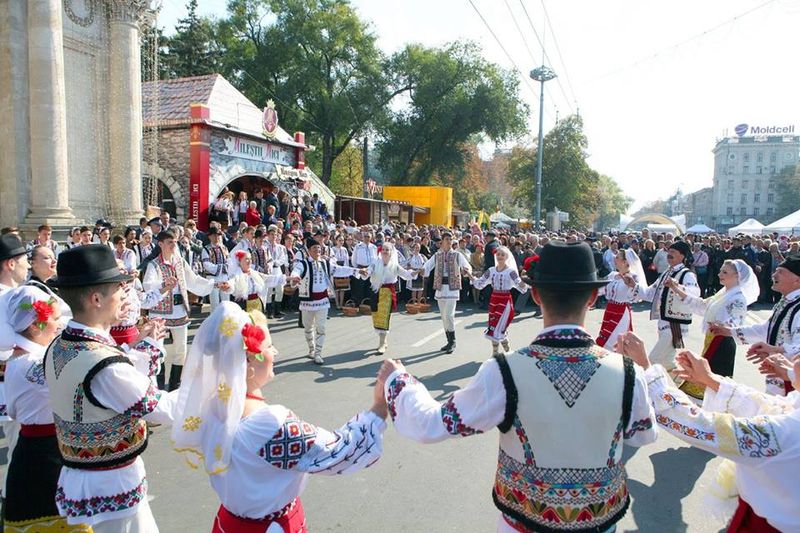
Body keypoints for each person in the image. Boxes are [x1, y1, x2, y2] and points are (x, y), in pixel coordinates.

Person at [377, 242, 657, 533]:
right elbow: (644, 435)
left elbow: (433, 424)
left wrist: (399, 381)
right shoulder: (628, 373)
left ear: (535, 295)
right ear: (591, 298)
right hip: (597, 523)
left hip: (524, 523)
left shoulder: (504, 370)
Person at [172, 303, 387, 532]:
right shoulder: (267, 424)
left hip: (229, 523)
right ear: (249, 364)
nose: (276, 353)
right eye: (269, 346)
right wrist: (380, 405)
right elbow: (339, 452)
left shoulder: (209, 405)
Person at [44, 245, 176, 531]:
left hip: (82, 478)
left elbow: (110, 381)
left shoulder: (60, 344)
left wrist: (146, 347)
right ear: (95, 298)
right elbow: (160, 409)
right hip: (112, 485)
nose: (124, 295)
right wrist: (217, 389)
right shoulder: (104, 364)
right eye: (119, 288)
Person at [618, 333, 800, 533]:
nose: (794, 358)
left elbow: (702, 425)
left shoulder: (787, 433)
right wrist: (711, 380)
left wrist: (646, 369)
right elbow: (772, 407)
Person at [0, 286, 86, 531]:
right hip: (48, 455)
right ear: (36, 325)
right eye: (55, 319)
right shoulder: (37, 363)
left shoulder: (18, 360)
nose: (59, 325)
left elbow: (15, 411)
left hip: (30, 453)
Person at [144, 231, 228, 391]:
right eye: (169, 242)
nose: (173, 245)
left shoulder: (179, 262)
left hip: (179, 311)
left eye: (174, 241)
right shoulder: (153, 265)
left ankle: (175, 387)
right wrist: (163, 283)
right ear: (160, 244)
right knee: (158, 350)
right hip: (159, 312)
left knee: (181, 350)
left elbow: (194, 281)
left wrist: (215, 284)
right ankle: (158, 388)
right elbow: (148, 286)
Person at [666, 259, 758, 400]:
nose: (720, 274)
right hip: (712, 339)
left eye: (725, 272)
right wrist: (676, 289)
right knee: (706, 379)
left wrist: (722, 325)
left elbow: (736, 322)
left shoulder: (738, 298)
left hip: (723, 342)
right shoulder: (723, 293)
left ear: (737, 276)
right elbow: (701, 304)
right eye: (721, 270)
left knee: (713, 382)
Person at [710, 254, 800, 396]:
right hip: (778, 377)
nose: (773, 274)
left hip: (792, 381)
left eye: (780, 272)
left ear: (797, 280)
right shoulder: (785, 303)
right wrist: (730, 331)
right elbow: (767, 329)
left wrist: (774, 349)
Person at [287, 239, 359, 365]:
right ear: (309, 250)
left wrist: (355, 271)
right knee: (308, 327)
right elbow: (296, 271)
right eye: (314, 248)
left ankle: (318, 353)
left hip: (322, 301)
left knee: (321, 327)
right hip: (308, 301)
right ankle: (311, 349)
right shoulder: (303, 264)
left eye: (319, 248)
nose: (317, 250)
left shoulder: (325, 263)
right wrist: (295, 277)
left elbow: (338, 269)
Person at [640, 241, 700, 372]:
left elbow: (695, 294)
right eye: (669, 252)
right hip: (664, 322)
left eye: (673, 252)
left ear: (682, 256)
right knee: (666, 361)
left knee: (653, 360)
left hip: (675, 324)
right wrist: (633, 285)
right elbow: (651, 293)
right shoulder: (667, 272)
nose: (669, 255)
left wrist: (676, 286)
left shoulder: (687, 274)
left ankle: (651, 389)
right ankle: (681, 385)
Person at [0, 234, 29, 497]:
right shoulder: (11, 298)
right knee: (19, 447)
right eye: (24, 261)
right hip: (12, 381)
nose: (27, 266)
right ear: (10, 264)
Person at [470, 246, 528, 355]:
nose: (500, 256)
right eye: (498, 254)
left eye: (502, 255)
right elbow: (480, 283)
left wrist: (524, 281)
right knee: (493, 326)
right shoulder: (491, 270)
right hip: (494, 300)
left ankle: (502, 352)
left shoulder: (511, 272)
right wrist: (470, 276)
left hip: (505, 301)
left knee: (499, 327)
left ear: (507, 257)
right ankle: (503, 352)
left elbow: (520, 285)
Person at [420, 232, 472, 353]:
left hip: (452, 288)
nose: (449, 241)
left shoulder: (457, 255)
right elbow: (427, 266)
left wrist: (466, 270)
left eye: (450, 239)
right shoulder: (437, 255)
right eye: (446, 239)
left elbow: (467, 265)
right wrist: (422, 270)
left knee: (449, 315)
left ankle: (453, 341)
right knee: (444, 317)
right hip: (440, 287)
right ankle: (449, 340)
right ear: (442, 241)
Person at [363, 242, 416, 354]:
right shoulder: (375, 263)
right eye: (384, 250)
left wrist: (415, 272)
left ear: (392, 252)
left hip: (387, 294)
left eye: (388, 250)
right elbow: (368, 272)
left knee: (383, 317)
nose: (385, 252)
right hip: (376, 291)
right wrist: (364, 272)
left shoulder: (394, 265)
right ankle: (384, 339)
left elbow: (406, 275)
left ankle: (382, 343)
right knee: (376, 316)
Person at [596, 248, 646, 350]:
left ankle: (619, 363)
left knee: (612, 342)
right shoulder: (613, 275)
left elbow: (637, 296)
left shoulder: (633, 277)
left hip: (621, 311)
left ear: (625, 262)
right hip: (610, 309)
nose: (615, 258)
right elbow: (601, 289)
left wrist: (633, 286)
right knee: (605, 337)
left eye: (617, 257)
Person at [225, 249, 286, 313]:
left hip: (257, 305)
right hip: (243, 306)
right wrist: (227, 286)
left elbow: (268, 278)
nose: (249, 261)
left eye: (250, 259)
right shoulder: (236, 276)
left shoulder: (254, 273)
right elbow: (231, 283)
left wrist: (288, 278)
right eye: (246, 259)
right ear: (239, 262)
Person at [202, 226, 231, 312]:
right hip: (213, 278)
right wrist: (220, 268)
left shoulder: (224, 248)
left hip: (224, 276)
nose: (217, 237)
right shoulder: (206, 249)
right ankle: (215, 322)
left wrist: (226, 267)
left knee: (226, 300)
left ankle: (226, 319)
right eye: (214, 235)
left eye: (218, 235)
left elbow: (229, 261)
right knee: (215, 302)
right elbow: (206, 264)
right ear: (210, 236)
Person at [263, 226, 288, 318]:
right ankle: (269, 311)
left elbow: (283, 258)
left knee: (280, 290)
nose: (274, 236)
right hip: (269, 270)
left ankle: (277, 310)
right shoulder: (265, 247)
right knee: (269, 290)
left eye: (276, 235)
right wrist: (271, 263)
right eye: (272, 235)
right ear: (268, 235)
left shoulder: (280, 247)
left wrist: (276, 262)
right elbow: (265, 258)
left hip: (277, 269)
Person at [330, 234, 351, 309]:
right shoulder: (333, 249)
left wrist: (346, 269)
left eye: (342, 240)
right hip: (336, 269)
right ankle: (337, 304)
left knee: (343, 288)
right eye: (340, 240)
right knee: (336, 288)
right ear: (336, 241)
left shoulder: (344, 249)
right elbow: (332, 260)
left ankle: (341, 304)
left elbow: (346, 260)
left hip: (343, 269)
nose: (341, 242)